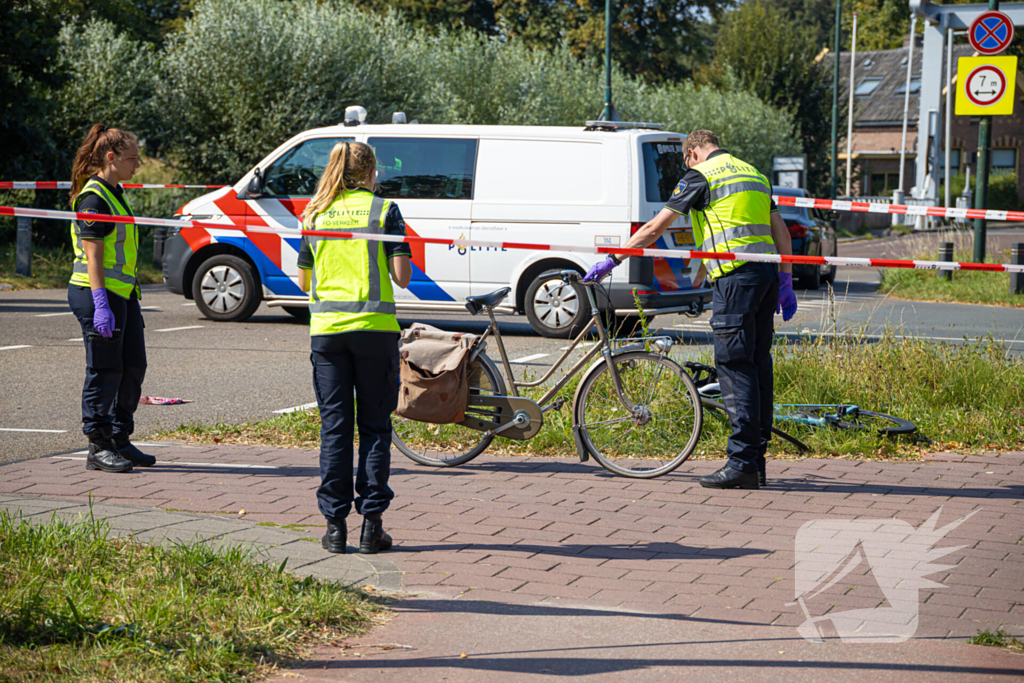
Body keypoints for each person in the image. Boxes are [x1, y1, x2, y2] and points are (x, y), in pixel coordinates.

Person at [584, 130, 798, 490]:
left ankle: (742, 463)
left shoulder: (701, 176)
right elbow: (782, 234)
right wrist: (786, 280)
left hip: (734, 280)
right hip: (765, 276)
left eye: (686, 159)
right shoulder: (754, 174)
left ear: (692, 153)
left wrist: (614, 258)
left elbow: (655, 228)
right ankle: (756, 461)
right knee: (760, 365)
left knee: (734, 365)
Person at [296, 142, 412, 554]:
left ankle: (334, 528)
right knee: (376, 430)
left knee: (336, 430)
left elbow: (303, 282)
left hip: (327, 333)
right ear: (370, 172)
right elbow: (402, 277)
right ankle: (371, 527)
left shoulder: (314, 213)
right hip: (375, 331)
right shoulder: (384, 211)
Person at [67, 123, 154, 473]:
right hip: (96, 294)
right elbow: (94, 258)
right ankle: (98, 445)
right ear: (111, 157)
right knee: (105, 370)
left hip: (122, 294)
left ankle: (120, 437)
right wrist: (102, 304)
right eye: (132, 159)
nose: (137, 165)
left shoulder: (115, 191)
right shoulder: (94, 198)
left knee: (134, 366)